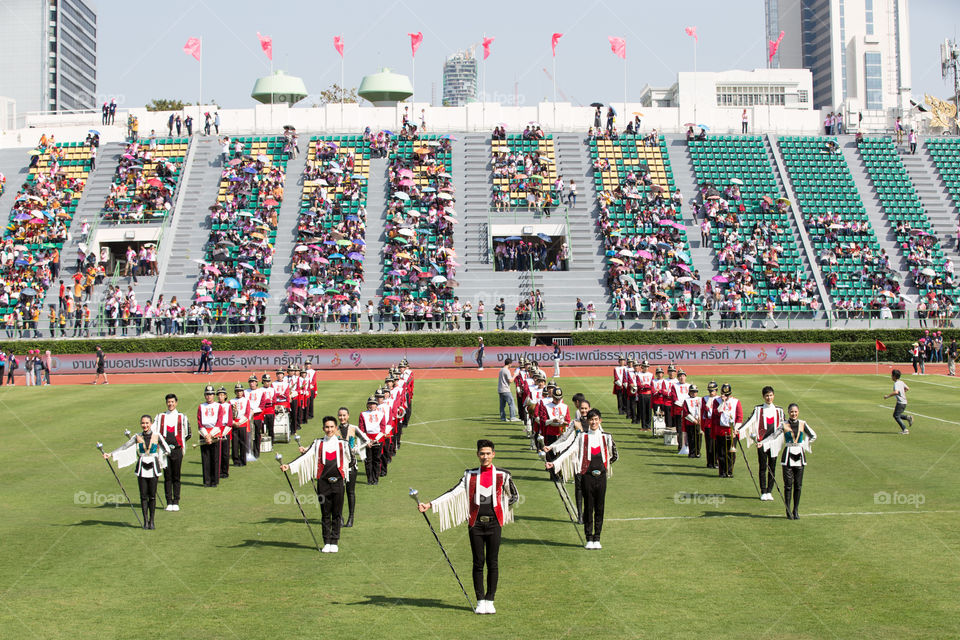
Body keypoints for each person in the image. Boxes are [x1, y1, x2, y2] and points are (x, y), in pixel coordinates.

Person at [418, 439, 518, 615]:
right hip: (475, 524)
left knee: (492, 562)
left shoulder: (503, 475)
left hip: (495, 524)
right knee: (478, 562)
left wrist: (501, 507)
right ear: (477, 455)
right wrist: (430, 504)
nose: (485, 457)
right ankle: (480, 600)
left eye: (488, 453)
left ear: (493, 454)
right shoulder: (469, 475)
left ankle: (490, 599)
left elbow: (514, 496)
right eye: (482, 453)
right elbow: (453, 492)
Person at [546, 408, 617, 549]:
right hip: (587, 476)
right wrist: (554, 463)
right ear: (588, 421)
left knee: (600, 507)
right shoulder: (582, 437)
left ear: (600, 421)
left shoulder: (606, 437)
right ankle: (589, 538)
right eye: (591, 420)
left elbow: (614, 455)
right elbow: (569, 451)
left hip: (601, 477)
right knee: (588, 507)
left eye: (596, 419)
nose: (594, 422)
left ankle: (597, 538)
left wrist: (605, 467)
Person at [282, 416, 354, 553]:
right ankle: (327, 541)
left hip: (338, 482)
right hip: (323, 482)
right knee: (325, 513)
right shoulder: (318, 443)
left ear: (336, 428)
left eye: (332, 427)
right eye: (327, 427)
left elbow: (350, 460)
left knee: (337, 513)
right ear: (323, 428)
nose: (329, 430)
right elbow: (305, 457)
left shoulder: (343, 444)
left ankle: (335, 541)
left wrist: (347, 473)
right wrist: (289, 466)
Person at [104, 414, 171, 529]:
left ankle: (152, 521)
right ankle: (145, 521)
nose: (145, 425)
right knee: (143, 496)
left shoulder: (157, 435)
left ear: (150, 424)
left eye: (147, 423)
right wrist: (111, 454)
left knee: (152, 496)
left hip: (154, 467)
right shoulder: (137, 436)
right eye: (143, 423)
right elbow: (124, 446)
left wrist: (160, 456)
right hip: (141, 467)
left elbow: (167, 450)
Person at [759, 403, 817, 519]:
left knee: (798, 485)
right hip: (788, 456)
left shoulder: (802, 423)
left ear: (798, 412)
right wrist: (763, 442)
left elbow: (813, 435)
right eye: (791, 412)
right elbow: (773, 436)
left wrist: (804, 445)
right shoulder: (784, 424)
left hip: (800, 456)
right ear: (788, 412)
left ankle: (796, 510)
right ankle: (788, 510)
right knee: (788, 485)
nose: (793, 414)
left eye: (795, 412)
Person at [739, 386, 785, 501]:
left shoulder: (779, 410)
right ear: (763, 397)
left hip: (774, 443)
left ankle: (770, 491)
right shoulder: (758, 409)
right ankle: (763, 491)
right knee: (763, 467)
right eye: (767, 396)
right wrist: (738, 430)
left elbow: (784, 426)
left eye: (770, 395)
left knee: (772, 467)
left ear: (773, 396)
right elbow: (749, 421)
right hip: (761, 442)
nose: (769, 398)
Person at [153, 393, 191, 509]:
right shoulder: (160, 417)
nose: (170, 404)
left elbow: (188, 433)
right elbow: (154, 431)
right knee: (167, 476)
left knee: (176, 476)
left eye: (172, 402)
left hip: (177, 450)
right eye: (169, 402)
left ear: (176, 402)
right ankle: (169, 501)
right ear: (166, 403)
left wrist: (179, 444)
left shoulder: (182, 417)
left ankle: (176, 501)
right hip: (164, 451)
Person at [337, 406, 371, 527]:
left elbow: (367, 440)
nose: (342, 417)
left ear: (348, 416)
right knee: (339, 492)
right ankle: (339, 517)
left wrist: (357, 449)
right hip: (339, 465)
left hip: (351, 465)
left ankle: (351, 517)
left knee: (350, 492)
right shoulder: (334, 429)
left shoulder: (353, 428)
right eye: (340, 415)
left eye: (344, 415)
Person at [196, 385, 227, 487]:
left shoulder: (219, 406)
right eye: (207, 394)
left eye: (211, 394)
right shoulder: (201, 406)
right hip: (204, 433)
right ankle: (207, 480)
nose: (209, 396)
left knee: (215, 458)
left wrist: (211, 435)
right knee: (205, 458)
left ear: (214, 395)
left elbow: (219, 422)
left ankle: (214, 480)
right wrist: (206, 435)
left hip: (215, 433)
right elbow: (200, 422)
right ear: (205, 395)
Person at [716, 384, 743, 478]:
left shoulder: (736, 401)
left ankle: (729, 471)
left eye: (727, 395)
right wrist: (722, 403)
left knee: (731, 453)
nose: (725, 397)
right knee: (721, 453)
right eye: (724, 394)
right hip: (721, 430)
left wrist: (736, 429)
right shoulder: (717, 401)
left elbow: (739, 417)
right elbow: (716, 412)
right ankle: (722, 471)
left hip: (732, 431)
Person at [359, 396, 385, 484]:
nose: (371, 405)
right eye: (370, 403)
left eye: (373, 403)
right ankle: (369, 479)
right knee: (368, 460)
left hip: (378, 440)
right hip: (367, 440)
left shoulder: (381, 414)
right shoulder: (363, 414)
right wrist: (367, 441)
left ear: (376, 405)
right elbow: (361, 429)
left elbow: (383, 428)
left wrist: (376, 439)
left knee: (377, 459)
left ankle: (376, 478)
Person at [883, 369, 913, 434]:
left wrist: (887, 396)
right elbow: (907, 388)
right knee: (896, 415)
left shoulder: (896, 384)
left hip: (901, 402)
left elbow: (896, 392)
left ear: (894, 376)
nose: (891, 376)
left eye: (892, 375)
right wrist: (902, 392)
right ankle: (908, 417)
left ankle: (905, 429)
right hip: (904, 402)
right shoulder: (901, 382)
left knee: (896, 416)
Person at [230, 382, 252, 466]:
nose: (239, 393)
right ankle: (235, 460)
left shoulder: (246, 401)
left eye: (240, 391)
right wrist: (234, 422)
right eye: (237, 391)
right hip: (234, 424)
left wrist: (240, 422)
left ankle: (243, 460)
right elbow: (229, 414)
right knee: (235, 444)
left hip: (242, 424)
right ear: (235, 392)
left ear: (243, 392)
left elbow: (247, 414)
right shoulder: (231, 401)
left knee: (243, 443)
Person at [701, 381, 721, 469]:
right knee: (709, 444)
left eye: (713, 391)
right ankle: (709, 462)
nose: (711, 392)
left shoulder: (720, 398)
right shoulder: (705, 398)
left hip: (716, 423)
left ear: (716, 390)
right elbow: (705, 410)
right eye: (710, 391)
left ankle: (716, 461)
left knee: (717, 443)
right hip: (708, 423)